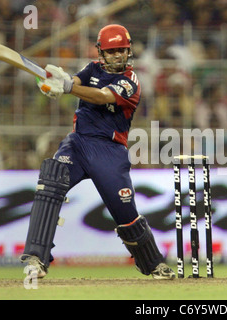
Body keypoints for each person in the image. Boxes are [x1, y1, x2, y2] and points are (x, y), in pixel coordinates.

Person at [20, 24, 175, 280]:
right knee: (50, 184)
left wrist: (68, 87)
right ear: (101, 52)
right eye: (112, 51)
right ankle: (36, 258)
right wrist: (57, 82)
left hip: (109, 151)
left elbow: (102, 97)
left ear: (129, 51)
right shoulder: (92, 68)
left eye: (121, 50)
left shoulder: (130, 81)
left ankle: (153, 264)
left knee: (126, 215)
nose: (117, 56)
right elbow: (76, 81)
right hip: (78, 144)